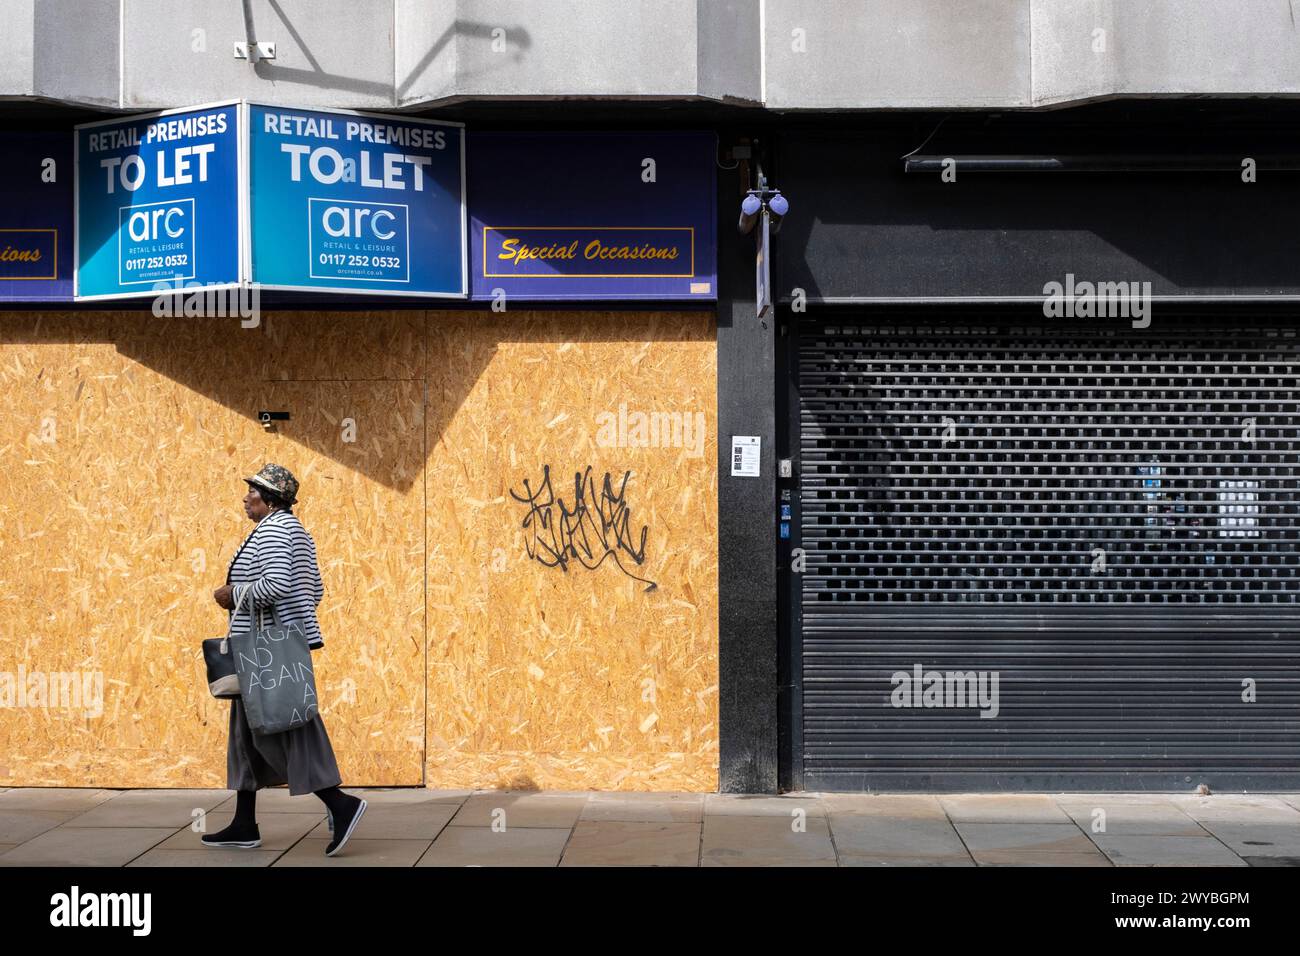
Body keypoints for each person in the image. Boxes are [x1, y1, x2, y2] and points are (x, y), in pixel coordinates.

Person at [204, 463, 367, 857]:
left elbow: (276, 584)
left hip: (266, 651)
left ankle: (340, 804)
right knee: (246, 730)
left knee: (284, 726)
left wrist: (235, 594)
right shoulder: (292, 530)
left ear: (270, 499)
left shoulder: (277, 529)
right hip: (268, 647)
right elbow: (315, 589)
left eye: (252, 492)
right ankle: (244, 823)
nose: (245, 498)